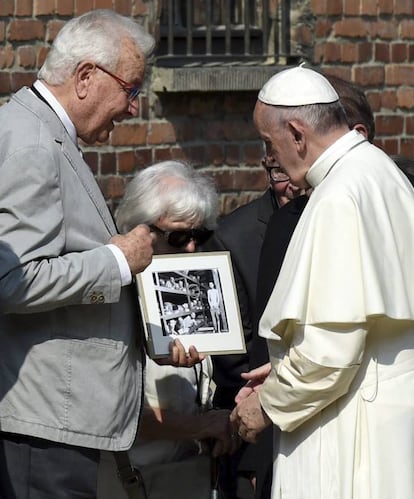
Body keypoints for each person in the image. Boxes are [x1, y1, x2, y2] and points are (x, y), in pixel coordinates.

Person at [0, 11, 199, 499]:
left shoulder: (44, 132)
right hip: (45, 425)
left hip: (58, 420)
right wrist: (116, 260)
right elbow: (13, 279)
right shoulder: (32, 144)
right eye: (131, 90)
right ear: (86, 77)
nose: (134, 108)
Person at [230, 65, 414, 499]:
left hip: (352, 427)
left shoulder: (338, 195)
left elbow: (330, 356)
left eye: (270, 144)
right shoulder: (377, 170)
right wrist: (283, 367)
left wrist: (267, 404)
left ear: (297, 134)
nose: (271, 157)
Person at [97, 160, 239, 499]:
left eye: (199, 235)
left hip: (185, 475)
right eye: (177, 236)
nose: (191, 247)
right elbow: (114, 410)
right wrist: (201, 425)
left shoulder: (196, 287)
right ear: (139, 230)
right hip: (132, 479)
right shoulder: (113, 296)